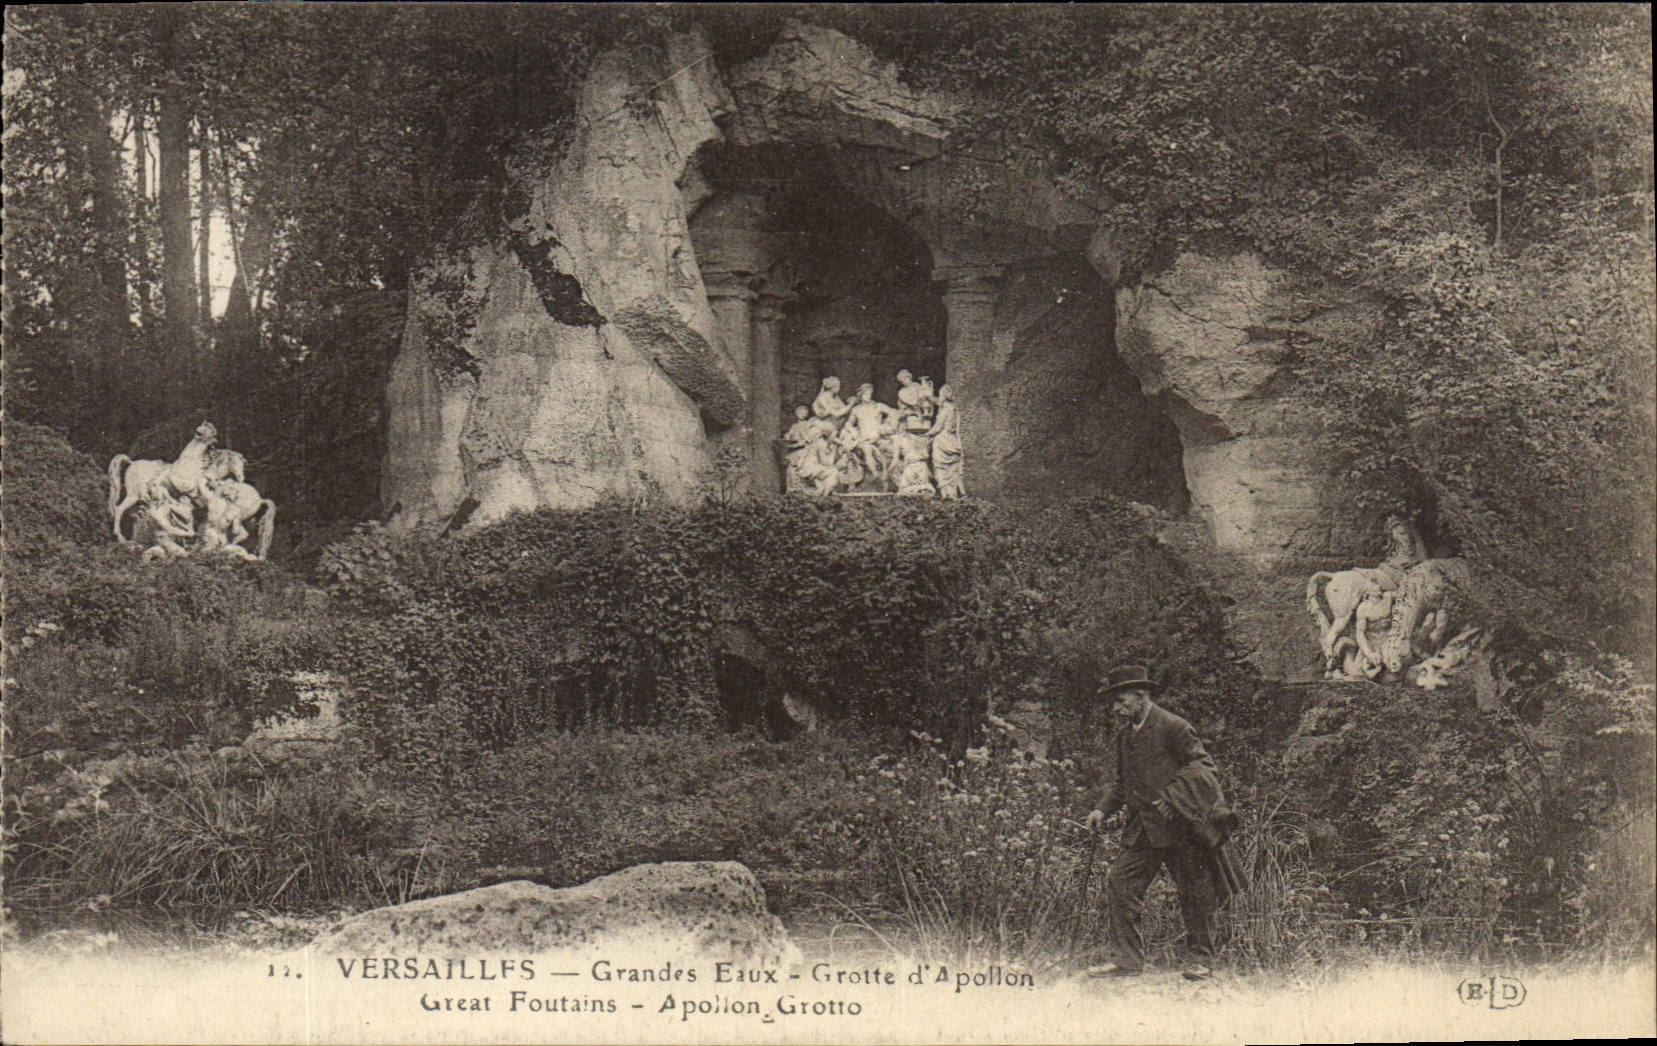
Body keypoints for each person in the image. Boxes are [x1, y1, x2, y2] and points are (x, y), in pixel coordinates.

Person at [1084, 664, 1245, 981]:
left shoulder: (1173, 726)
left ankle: (1201, 960)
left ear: (1141, 697)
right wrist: (1102, 810)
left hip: (1180, 828)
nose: (1116, 710)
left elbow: (1203, 767)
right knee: (1120, 883)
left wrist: (1173, 797)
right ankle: (1127, 960)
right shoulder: (1125, 736)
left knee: (1195, 892)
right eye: (1115, 703)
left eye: (1121, 702)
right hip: (1143, 829)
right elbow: (1122, 783)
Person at [926, 384, 963, 499]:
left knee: (940, 466)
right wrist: (929, 396)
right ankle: (953, 493)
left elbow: (938, 426)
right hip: (952, 440)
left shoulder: (945, 409)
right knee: (952, 469)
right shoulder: (954, 408)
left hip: (943, 440)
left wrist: (927, 434)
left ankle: (945, 494)